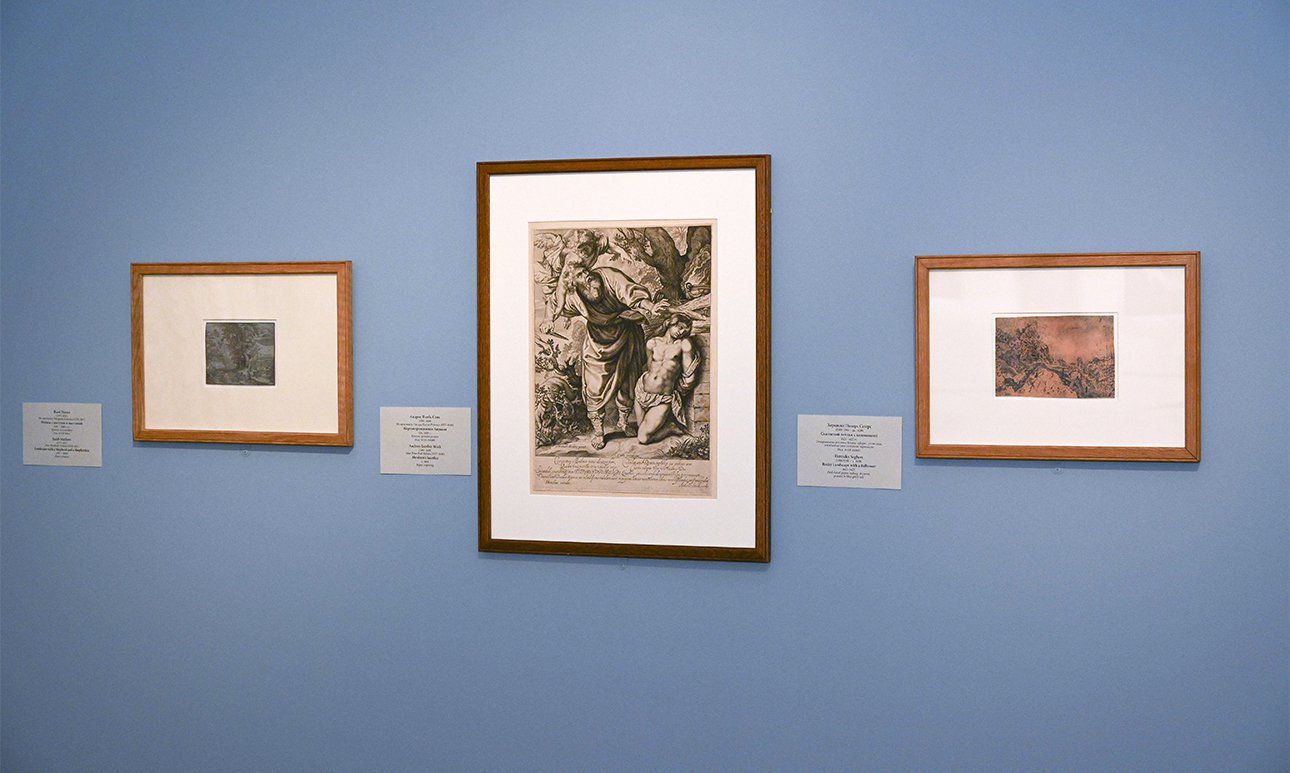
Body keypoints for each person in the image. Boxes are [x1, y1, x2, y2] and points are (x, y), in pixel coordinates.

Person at [555, 260, 665, 449]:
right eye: (580, 275)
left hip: (625, 334)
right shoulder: (574, 296)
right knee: (594, 386)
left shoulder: (609, 276)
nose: (586, 274)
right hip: (597, 342)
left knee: (627, 382)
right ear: (573, 283)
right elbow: (556, 304)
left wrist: (650, 306)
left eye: (585, 270)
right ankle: (599, 432)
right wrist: (549, 319)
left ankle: (623, 422)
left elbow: (630, 292)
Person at [634, 313, 701, 444]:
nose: (681, 332)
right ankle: (666, 424)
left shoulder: (684, 344)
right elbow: (649, 367)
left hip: (662, 398)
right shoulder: (652, 343)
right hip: (641, 392)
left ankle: (670, 427)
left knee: (643, 438)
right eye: (680, 327)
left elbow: (689, 374)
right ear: (670, 323)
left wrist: (678, 389)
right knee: (640, 428)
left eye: (685, 330)